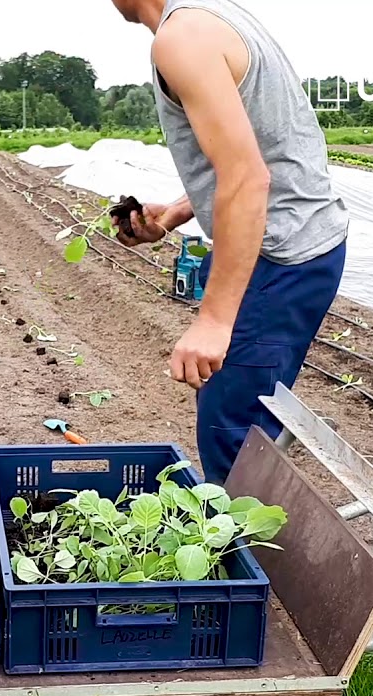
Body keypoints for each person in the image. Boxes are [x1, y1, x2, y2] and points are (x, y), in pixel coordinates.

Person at [110, 0, 350, 483]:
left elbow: (247, 178)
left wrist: (214, 321)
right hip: (302, 244)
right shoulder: (213, 16)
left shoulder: (181, 39)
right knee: (242, 418)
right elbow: (258, 148)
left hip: (280, 256)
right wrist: (176, 213)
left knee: (233, 434)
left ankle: (251, 554)